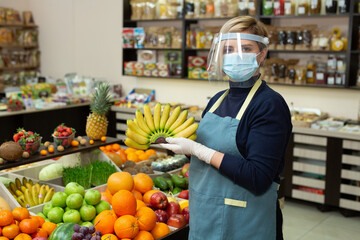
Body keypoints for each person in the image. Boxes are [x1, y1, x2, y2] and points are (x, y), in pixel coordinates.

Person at [160, 16, 292, 240]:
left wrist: (198, 150)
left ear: (261, 55)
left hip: (244, 223)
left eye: (246, 48)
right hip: (206, 217)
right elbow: (209, 159)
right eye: (229, 49)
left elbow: (258, 176)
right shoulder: (217, 100)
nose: (236, 55)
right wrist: (181, 149)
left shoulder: (269, 105)